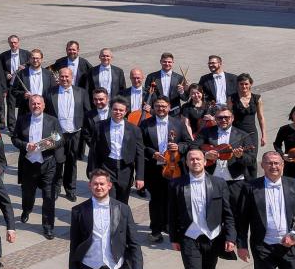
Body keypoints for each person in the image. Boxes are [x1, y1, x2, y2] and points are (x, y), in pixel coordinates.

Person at [169, 148, 236, 269]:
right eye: (191, 159)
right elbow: (171, 213)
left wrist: (230, 237)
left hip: (213, 238)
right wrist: (174, 238)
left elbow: (228, 213)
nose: (195, 161)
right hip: (190, 238)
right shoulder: (176, 184)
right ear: (187, 163)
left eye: (198, 158)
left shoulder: (218, 183)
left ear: (205, 162)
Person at [141, 97, 193, 243]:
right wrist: (152, 153)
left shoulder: (179, 123)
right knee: (156, 200)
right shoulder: (145, 124)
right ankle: (156, 230)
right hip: (154, 169)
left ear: (169, 107)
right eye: (157, 106)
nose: (161, 109)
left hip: (174, 169)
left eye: (164, 106)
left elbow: (188, 143)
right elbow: (140, 145)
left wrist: (179, 147)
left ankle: (171, 227)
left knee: (174, 200)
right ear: (153, 107)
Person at [12, 95, 63, 239]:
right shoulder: (22, 120)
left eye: (38, 103)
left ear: (44, 105)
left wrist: (51, 144)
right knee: (28, 193)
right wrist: (25, 145)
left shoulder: (52, 121)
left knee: (48, 196)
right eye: (33, 103)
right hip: (29, 164)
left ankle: (48, 226)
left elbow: (60, 138)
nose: (36, 106)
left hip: (47, 163)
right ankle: (26, 210)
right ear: (29, 105)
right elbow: (14, 138)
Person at [45, 67, 91, 202]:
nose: (64, 79)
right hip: (56, 134)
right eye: (62, 76)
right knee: (57, 161)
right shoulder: (49, 93)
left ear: (72, 78)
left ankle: (70, 189)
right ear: (58, 77)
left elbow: (87, 112)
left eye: (67, 77)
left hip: (75, 132)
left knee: (72, 162)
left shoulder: (81, 92)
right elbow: (46, 114)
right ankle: (56, 187)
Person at [89, 98, 145, 204]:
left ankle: (120, 220)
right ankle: (110, 220)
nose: (118, 112)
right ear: (111, 109)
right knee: (109, 200)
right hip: (106, 167)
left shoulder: (134, 130)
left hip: (126, 169)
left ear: (126, 111)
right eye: (115, 109)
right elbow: (93, 151)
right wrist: (92, 172)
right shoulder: (99, 126)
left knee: (123, 201)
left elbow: (140, 154)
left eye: (121, 110)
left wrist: (140, 177)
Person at [199, 107, 254, 208]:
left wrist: (240, 156)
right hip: (212, 178)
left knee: (236, 213)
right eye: (220, 118)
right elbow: (193, 148)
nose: (223, 120)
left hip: (235, 179)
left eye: (226, 117)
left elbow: (251, 160)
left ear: (232, 118)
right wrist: (205, 155)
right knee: (214, 212)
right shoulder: (206, 132)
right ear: (215, 119)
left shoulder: (243, 135)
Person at [229, 73, 266, 179]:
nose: (244, 86)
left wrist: (264, 135)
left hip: (252, 133)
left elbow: (261, 117)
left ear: (251, 84)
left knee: (252, 158)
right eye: (241, 84)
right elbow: (229, 116)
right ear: (237, 85)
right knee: (238, 156)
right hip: (237, 133)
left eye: (246, 84)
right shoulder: (232, 98)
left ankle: (252, 180)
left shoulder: (257, 98)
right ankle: (241, 179)